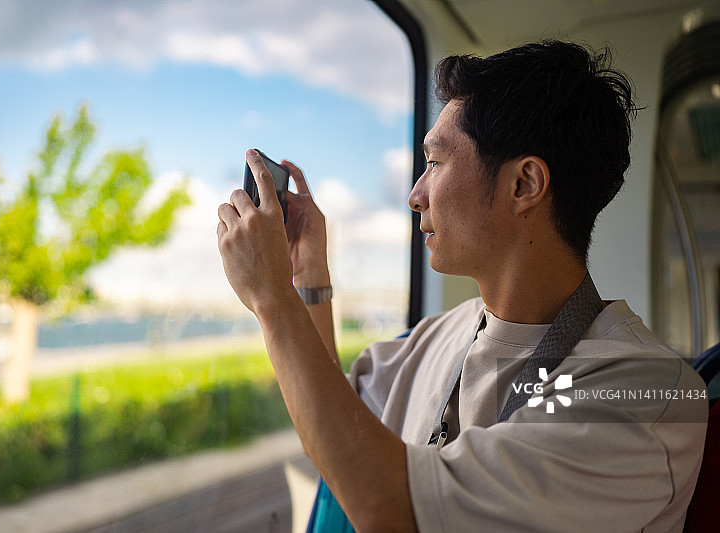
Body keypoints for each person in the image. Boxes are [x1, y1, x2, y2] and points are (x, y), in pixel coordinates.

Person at [216, 40, 707, 532]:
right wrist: (306, 277)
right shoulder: (438, 335)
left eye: (434, 163)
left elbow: (391, 511)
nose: (415, 196)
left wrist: (270, 298)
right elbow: (335, 429)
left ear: (524, 185)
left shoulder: (646, 394)